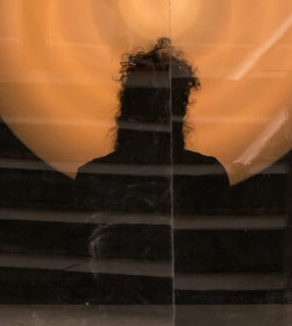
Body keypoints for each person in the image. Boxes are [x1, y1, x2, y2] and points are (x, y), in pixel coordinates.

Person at [74, 39, 225, 305]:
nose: (159, 117)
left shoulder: (96, 174)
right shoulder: (206, 174)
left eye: (168, 104)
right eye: (150, 104)